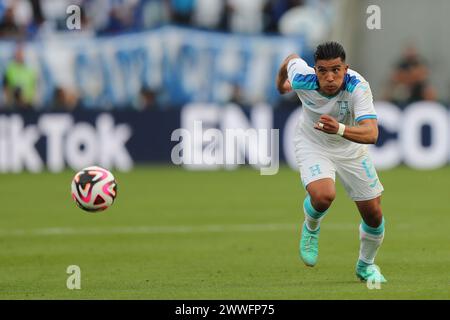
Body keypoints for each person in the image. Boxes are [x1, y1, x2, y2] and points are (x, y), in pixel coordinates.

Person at [276, 41, 387, 283]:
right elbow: (290, 59)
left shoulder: (358, 86)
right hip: (313, 143)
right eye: (322, 70)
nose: (329, 77)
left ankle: (365, 266)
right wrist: (281, 84)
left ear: (345, 69)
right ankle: (311, 228)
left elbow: (371, 134)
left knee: (374, 214)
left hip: (349, 147)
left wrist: (338, 129)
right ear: (314, 70)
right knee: (324, 194)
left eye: (336, 70)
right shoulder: (302, 78)